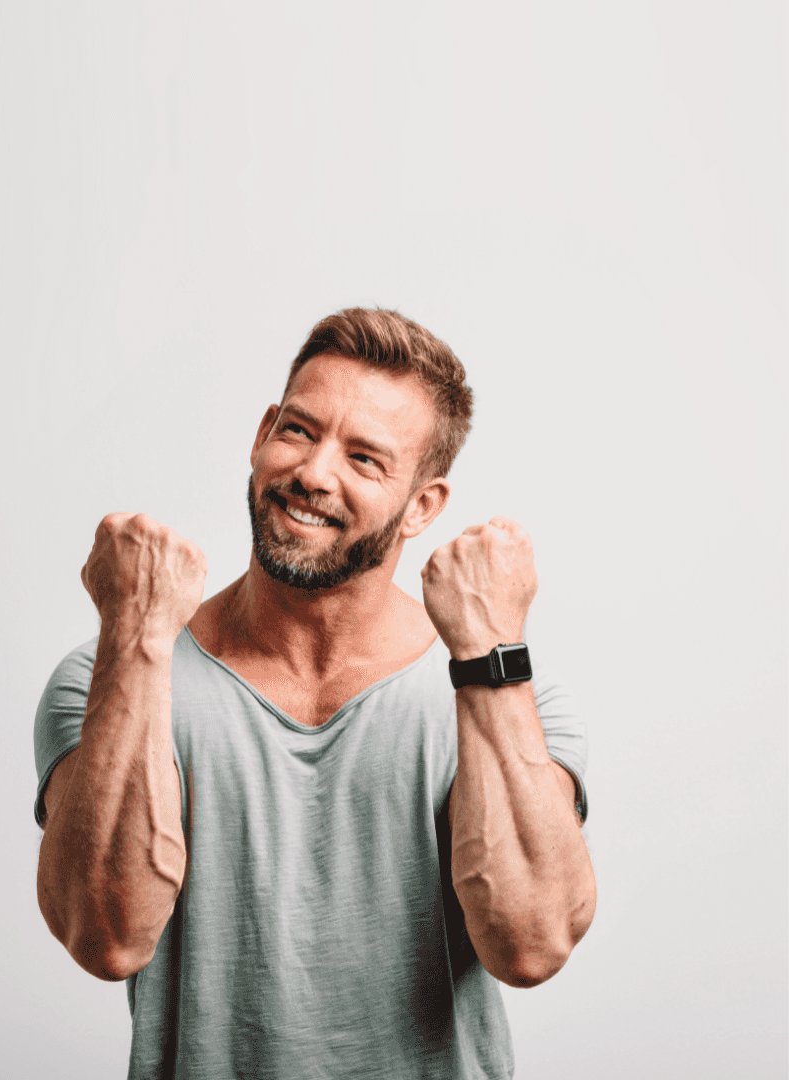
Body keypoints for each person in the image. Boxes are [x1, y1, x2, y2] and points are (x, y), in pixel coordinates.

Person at [33, 308, 596, 1080]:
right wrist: (134, 639)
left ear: (423, 507)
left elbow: (530, 946)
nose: (313, 474)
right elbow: (106, 939)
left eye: (365, 459)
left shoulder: (505, 699)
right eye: (298, 431)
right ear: (265, 431)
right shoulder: (117, 677)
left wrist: (490, 653)